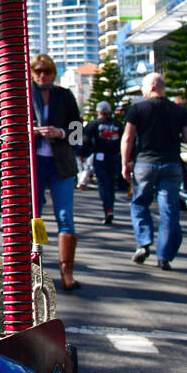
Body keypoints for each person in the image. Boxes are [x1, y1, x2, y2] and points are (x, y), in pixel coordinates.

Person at [122, 72, 187, 270]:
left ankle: (144, 243)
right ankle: (164, 256)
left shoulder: (137, 108)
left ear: (152, 87)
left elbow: (127, 138)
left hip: (145, 163)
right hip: (171, 163)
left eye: (144, 87)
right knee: (169, 210)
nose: (143, 91)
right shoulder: (180, 111)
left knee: (139, 204)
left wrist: (124, 163)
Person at [30, 54, 83, 291]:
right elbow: (7, 126)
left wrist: (60, 132)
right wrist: (31, 130)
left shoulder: (65, 95)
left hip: (61, 164)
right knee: (35, 216)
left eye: (47, 71)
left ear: (54, 73)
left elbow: (77, 131)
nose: (42, 75)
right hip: (34, 165)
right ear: (32, 72)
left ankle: (66, 272)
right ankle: (36, 267)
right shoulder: (24, 94)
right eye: (38, 71)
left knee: (65, 217)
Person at [81, 101, 123, 225]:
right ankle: (110, 208)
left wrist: (83, 154)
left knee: (103, 185)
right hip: (115, 157)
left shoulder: (94, 124)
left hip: (100, 157)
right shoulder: (118, 124)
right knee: (111, 186)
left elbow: (86, 139)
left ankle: (108, 209)